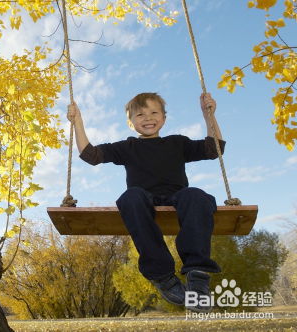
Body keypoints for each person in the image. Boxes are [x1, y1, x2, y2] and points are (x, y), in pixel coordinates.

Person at [66, 92, 225, 313]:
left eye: (154, 112)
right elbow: (90, 155)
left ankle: (197, 276)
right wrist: (77, 122)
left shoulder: (177, 142)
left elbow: (213, 149)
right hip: (143, 201)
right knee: (130, 196)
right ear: (131, 123)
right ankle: (162, 276)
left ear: (164, 118)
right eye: (140, 114)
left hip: (177, 198)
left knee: (196, 195)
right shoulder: (127, 147)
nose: (148, 118)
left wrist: (209, 116)